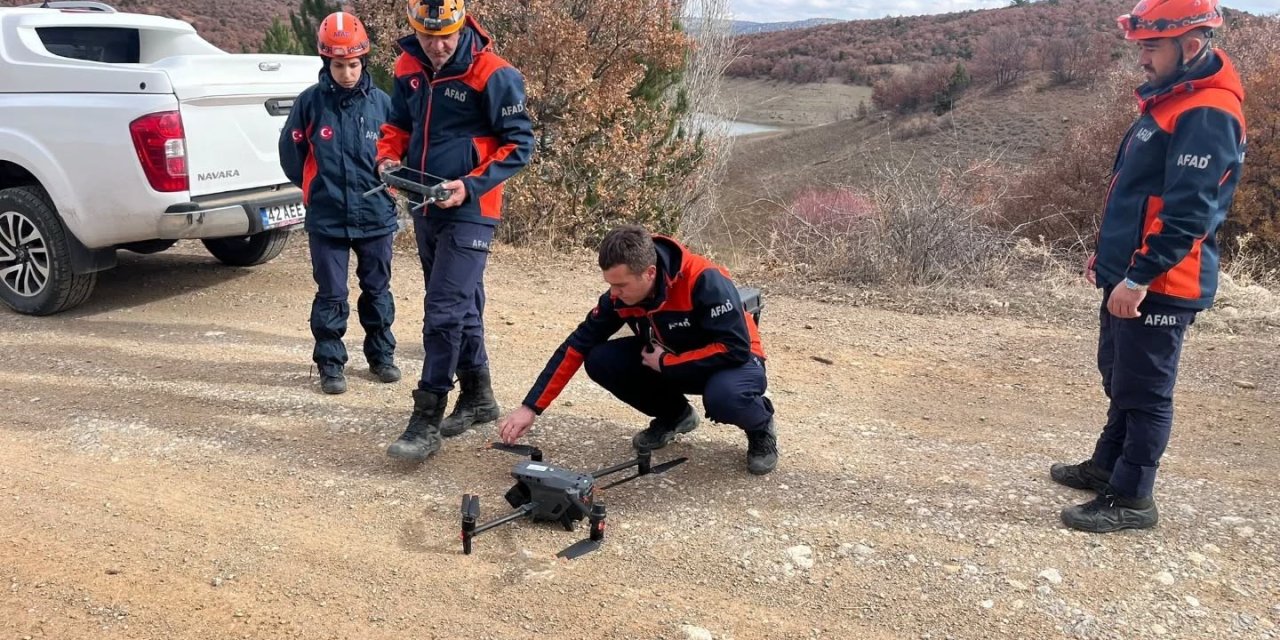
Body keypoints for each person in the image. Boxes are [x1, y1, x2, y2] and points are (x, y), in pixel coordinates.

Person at [1051, 0, 1246, 533]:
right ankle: (1107, 466)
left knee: (1145, 391)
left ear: (1190, 45)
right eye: (1139, 47)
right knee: (1120, 376)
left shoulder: (1207, 112)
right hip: (1131, 273)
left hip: (1161, 282)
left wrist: (1138, 276)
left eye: (1151, 47)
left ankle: (1133, 498)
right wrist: (1111, 260)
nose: (1142, 59)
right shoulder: (1168, 101)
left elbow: (1189, 214)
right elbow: (1137, 196)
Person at [375, 0, 535, 461]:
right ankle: (479, 396)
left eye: (446, 35)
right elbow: (396, 125)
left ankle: (426, 417)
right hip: (424, 202)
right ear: (414, 31)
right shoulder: (407, 65)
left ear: (462, 25)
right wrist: (387, 159)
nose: (438, 45)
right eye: (428, 37)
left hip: (473, 207)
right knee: (461, 307)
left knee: (443, 310)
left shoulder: (494, 73)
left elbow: (520, 144)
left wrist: (470, 184)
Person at [497, 225, 780, 475]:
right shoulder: (620, 296)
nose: (614, 294)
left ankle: (760, 426)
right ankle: (676, 416)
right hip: (670, 358)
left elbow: (735, 349)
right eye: (610, 285)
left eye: (620, 285)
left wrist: (668, 363)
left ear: (650, 273)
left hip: (733, 361)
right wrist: (531, 406)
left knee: (724, 397)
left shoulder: (704, 279)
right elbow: (578, 344)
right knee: (601, 359)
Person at [279, 11, 400, 395]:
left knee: (377, 289)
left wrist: (391, 184)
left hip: (376, 216)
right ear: (325, 62)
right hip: (327, 218)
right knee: (331, 293)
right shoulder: (310, 104)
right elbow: (291, 153)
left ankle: (382, 358)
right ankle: (331, 365)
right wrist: (315, 189)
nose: (347, 72)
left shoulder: (383, 104)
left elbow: (400, 153)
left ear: (363, 61)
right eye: (338, 65)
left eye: (353, 64)